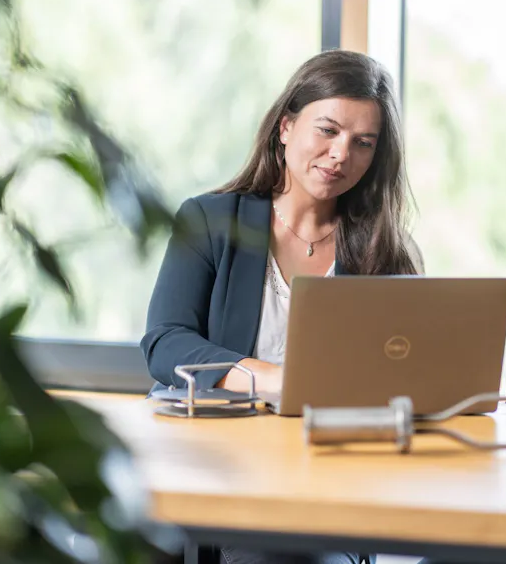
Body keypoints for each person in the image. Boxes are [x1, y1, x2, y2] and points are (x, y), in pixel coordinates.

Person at [141, 49, 420, 564]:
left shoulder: (386, 252)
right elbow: (165, 342)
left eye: (363, 143)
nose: (341, 155)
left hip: (331, 483)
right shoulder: (208, 220)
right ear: (287, 126)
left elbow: (399, 372)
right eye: (328, 130)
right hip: (221, 472)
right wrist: (272, 378)